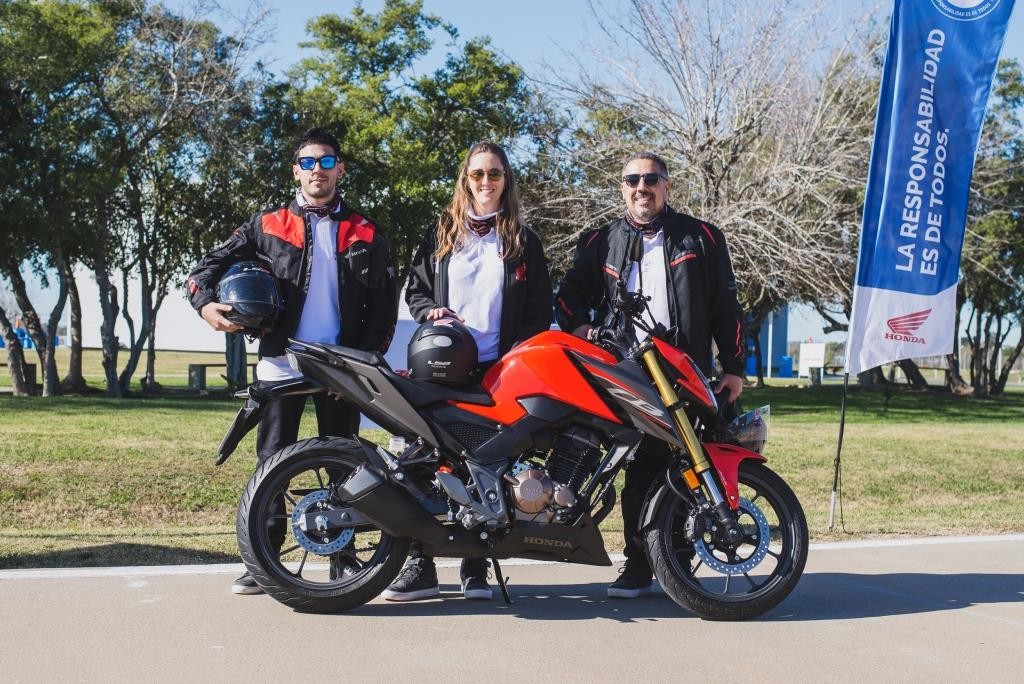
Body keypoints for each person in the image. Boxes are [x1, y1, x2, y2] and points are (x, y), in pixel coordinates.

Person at [186, 127, 398, 595]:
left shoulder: (367, 230)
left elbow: (385, 306)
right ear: (295, 170)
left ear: (339, 169)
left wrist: (358, 361)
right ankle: (265, 559)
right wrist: (204, 305)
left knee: (346, 459)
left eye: (326, 162)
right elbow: (206, 267)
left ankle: (344, 560)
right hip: (282, 363)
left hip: (340, 365)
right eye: (307, 162)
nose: (316, 171)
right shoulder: (268, 223)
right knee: (272, 462)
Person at [554, 151, 744, 598]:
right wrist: (582, 329)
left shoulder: (702, 238)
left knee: (690, 469)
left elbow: (727, 308)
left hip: (686, 371)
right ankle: (639, 563)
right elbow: (569, 295)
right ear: (622, 188)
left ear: (667, 186)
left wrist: (734, 368)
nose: (642, 187)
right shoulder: (599, 240)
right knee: (635, 471)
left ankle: (679, 564)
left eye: (651, 179)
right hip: (624, 373)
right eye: (632, 180)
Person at [386, 140, 553, 602]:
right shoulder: (442, 232)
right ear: (465, 180)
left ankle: (475, 567)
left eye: (494, 174)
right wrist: (431, 312)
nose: (485, 182)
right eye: (477, 174)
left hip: (497, 371)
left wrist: (519, 350)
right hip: (439, 363)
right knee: (419, 459)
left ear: (506, 180)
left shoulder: (523, 239)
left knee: (486, 465)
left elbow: (541, 309)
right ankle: (418, 566)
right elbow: (416, 290)